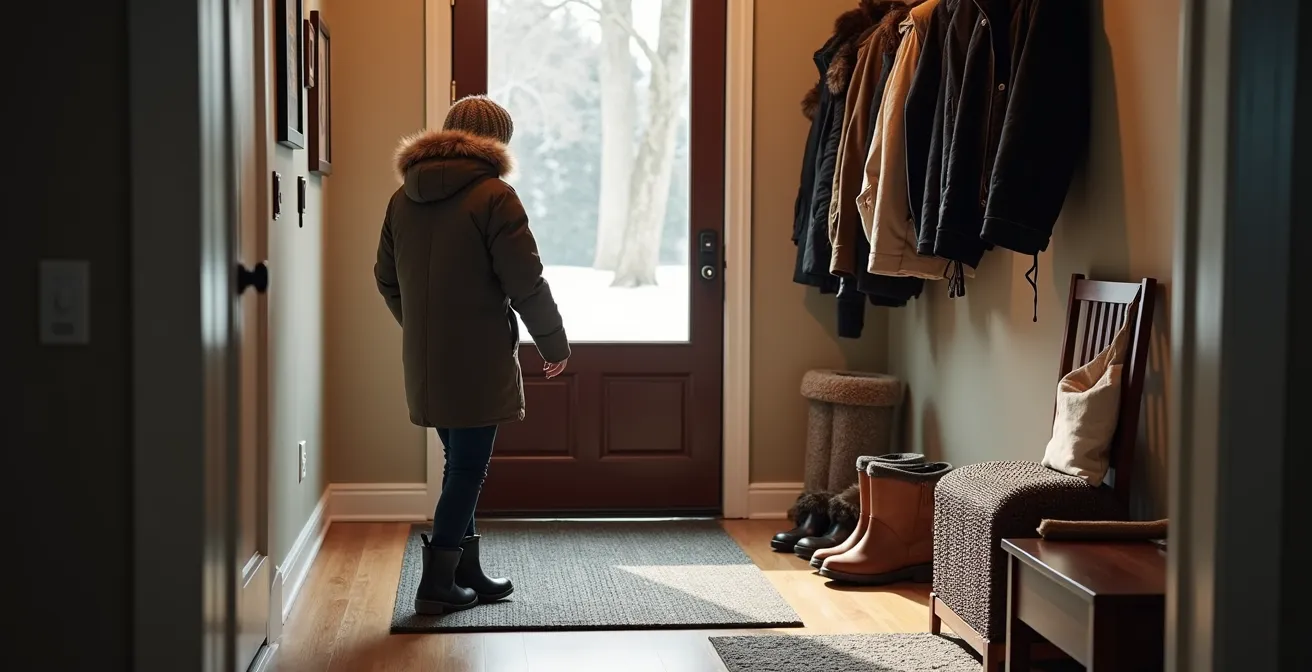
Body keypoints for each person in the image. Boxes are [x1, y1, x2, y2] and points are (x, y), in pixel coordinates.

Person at [375, 95, 570, 615]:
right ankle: (437, 585)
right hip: (479, 358)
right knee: (468, 468)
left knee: (459, 462)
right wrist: (554, 341)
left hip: (427, 359)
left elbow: (386, 280)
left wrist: (423, 329)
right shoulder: (494, 196)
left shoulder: (402, 197)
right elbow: (525, 281)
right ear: (495, 143)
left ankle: (465, 572)